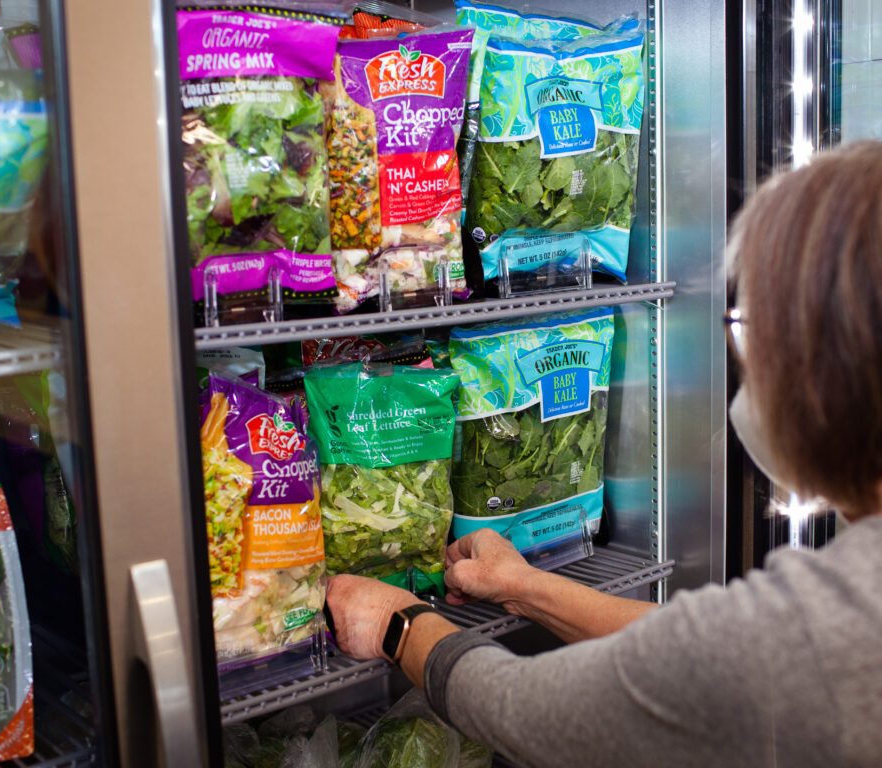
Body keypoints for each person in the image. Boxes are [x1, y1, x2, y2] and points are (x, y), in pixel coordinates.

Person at [325, 141, 882, 767]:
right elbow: (699, 662)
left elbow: (527, 713)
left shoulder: (845, 613)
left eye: (755, 331)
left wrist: (399, 624)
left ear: (828, 377)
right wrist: (526, 588)